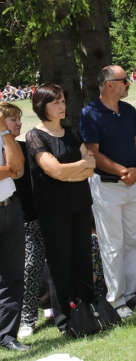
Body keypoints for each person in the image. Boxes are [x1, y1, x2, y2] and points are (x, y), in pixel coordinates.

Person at [80, 65, 136, 319]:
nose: (129, 84)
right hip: (107, 186)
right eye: (125, 81)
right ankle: (116, 299)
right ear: (109, 84)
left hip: (133, 182)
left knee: (134, 240)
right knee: (112, 245)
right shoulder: (90, 113)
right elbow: (92, 152)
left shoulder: (129, 110)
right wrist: (124, 171)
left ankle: (130, 295)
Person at [26, 83, 95, 335]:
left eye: (63, 101)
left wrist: (67, 174)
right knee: (60, 264)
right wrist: (77, 167)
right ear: (41, 106)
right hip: (53, 210)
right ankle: (65, 320)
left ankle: (87, 309)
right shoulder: (35, 136)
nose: (62, 106)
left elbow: (91, 167)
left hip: (79, 203)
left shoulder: (71, 132)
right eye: (56, 102)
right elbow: (53, 170)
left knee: (82, 259)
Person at [2, 103, 43, 340]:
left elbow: (21, 172)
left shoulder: (25, 148)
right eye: (11, 119)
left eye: (19, 118)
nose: (18, 123)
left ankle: (21, 324)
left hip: (30, 216)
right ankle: (23, 318)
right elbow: (13, 172)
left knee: (24, 271)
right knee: (22, 270)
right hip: (16, 217)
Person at [0, 103, 28, 351]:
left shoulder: (7, 140)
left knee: (12, 276)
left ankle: (7, 336)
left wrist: (4, 133)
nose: (17, 123)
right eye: (10, 120)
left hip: (10, 208)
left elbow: (18, 168)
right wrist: (9, 170)